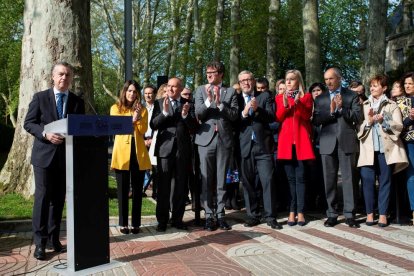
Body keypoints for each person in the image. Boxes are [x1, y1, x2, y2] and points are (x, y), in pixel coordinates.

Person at [24, 62, 85, 260]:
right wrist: (45, 134)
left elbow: (81, 127)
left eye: (67, 75)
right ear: (52, 76)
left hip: (65, 157)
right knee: (42, 199)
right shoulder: (40, 98)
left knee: (58, 200)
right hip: (44, 156)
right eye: (60, 74)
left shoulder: (77, 101)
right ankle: (40, 243)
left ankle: (54, 239)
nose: (64, 78)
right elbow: (29, 123)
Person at [313, 67, 363, 228]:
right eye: (326, 79)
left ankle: (350, 214)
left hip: (346, 141)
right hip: (327, 142)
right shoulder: (320, 98)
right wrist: (333, 112)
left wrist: (342, 109)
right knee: (329, 180)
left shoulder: (351, 95)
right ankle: (332, 213)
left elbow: (357, 117)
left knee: (349, 179)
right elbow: (316, 120)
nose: (328, 82)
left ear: (339, 78)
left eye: (331, 79)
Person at [357, 75, 408, 227]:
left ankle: (383, 214)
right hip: (368, 150)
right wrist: (369, 122)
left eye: (376, 85)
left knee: (385, 182)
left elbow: (399, 127)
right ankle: (370, 213)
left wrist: (383, 121)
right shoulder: (364, 105)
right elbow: (358, 129)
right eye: (371, 85)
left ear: (384, 88)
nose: (372, 88)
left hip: (387, 151)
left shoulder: (392, 105)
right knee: (367, 181)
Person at [194, 61, 239, 231]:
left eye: (212, 72)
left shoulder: (231, 92)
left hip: (224, 139)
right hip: (205, 140)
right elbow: (198, 113)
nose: (209, 76)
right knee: (206, 179)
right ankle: (208, 215)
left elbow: (234, 116)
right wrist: (209, 101)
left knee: (221, 180)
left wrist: (220, 104)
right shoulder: (200, 90)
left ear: (221, 74)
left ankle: (220, 214)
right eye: (207, 73)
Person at [150, 77, 197, 232]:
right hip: (165, 149)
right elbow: (153, 125)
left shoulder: (188, 103)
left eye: (173, 87)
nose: (169, 89)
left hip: (182, 151)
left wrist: (185, 115)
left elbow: (194, 127)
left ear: (180, 88)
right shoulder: (159, 103)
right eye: (168, 86)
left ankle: (177, 219)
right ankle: (162, 221)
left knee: (180, 187)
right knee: (163, 187)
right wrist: (164, 113)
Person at [237, 70, 282, 229]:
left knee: (268, 181)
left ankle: (270, 216)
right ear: (240, 83)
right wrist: (243, 113)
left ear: (254, 81)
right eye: (243, 81)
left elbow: (271, 116)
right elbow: (233, 121)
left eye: (249, 80)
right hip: (244, 147)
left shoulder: (264, 96)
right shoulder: (236, 98)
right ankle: (252, 215)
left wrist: (257, 109)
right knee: (248, 183)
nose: (246, 83)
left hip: (263, 146)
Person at [110, 80, 151, 235]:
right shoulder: (115, 108)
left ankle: (136, 223)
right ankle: (123, 223)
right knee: (122, 191)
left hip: (138, 154)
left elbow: (142, 130)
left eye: (135, 92)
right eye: (129, 91)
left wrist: (138, 116)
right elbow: (117, 127)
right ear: (124, 92)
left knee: (137, 191)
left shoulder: (143, 110)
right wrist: (132, 119)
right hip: (122, 154)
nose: (132, 94)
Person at [275, 70, 315, 226]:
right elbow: (278, 118)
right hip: (286, 144)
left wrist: (298, 103)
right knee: (290, 179)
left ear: (299, 81)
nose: (289, 82)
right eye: (287, 80)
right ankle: (291, 211)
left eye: (292, 79)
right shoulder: (279, 97)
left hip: (301, 143)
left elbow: (306, 117)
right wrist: (285, 105)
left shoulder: (306, 97)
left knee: (301, 179)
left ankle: (301, 211)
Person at [308, 82, 328, 211]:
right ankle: (310, 202)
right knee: (311, 176)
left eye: (319, 90)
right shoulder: (307, 107)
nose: (316, 92)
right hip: (310, 147)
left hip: (325, 145)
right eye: (313, 90)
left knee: (324, 177)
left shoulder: (327, 106)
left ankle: (324, 203)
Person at [402, 72, 414, 224]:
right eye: (405, 84)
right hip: (410, 141)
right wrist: (410, 118)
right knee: (411, 176)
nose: (407, 86)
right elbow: (399, 124)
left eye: (410, 83)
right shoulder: (401, 102)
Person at [142, 84, 158, 198]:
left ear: (154, 94)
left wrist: (153, 139)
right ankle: (144, 186)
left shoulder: (158, 107)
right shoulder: (140, 108)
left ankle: (155, 191)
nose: (148, 95)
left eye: (150, 93)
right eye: (146, 93)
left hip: (154, 140)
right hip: (142, 140)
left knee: (155, 167)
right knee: (142, 166)